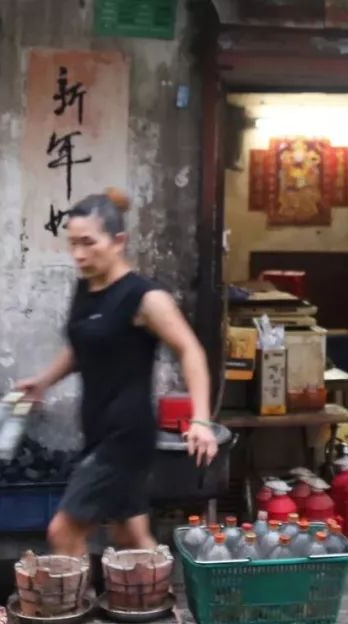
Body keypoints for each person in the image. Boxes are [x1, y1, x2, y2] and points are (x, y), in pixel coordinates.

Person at [15, 188, 218, 557]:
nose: (78, 254)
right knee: (130, 536)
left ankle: (74, 611)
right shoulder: (86, 288)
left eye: (88, 243)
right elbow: (84, 345)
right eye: (72, 243)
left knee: (63, 532)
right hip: (97, 429)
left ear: (118, 241)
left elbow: (191, 351)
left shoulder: (144, 298)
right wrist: (44, 381)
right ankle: (155, 605)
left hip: (125, 437)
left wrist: (200, 421)